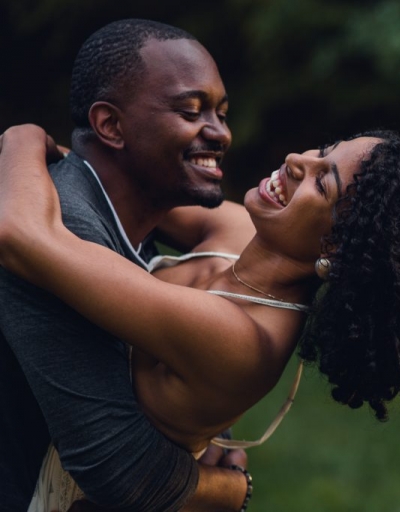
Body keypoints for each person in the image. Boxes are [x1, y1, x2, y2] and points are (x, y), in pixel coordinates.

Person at [0, 123, 400, 509]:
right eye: (322, 152)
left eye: (322, 183)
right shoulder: (240, 228)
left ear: (337, 249)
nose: (296, 161)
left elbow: (19, 237)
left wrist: (23, 136)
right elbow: (118, 188)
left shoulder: (241, 337)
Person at [0, 19, 251, 511]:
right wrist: (235, 491)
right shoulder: (64, 228)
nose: (220, 133)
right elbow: (120, 471)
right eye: (191, 110)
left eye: (222, 113)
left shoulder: (116, 210)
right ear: (111, 125)